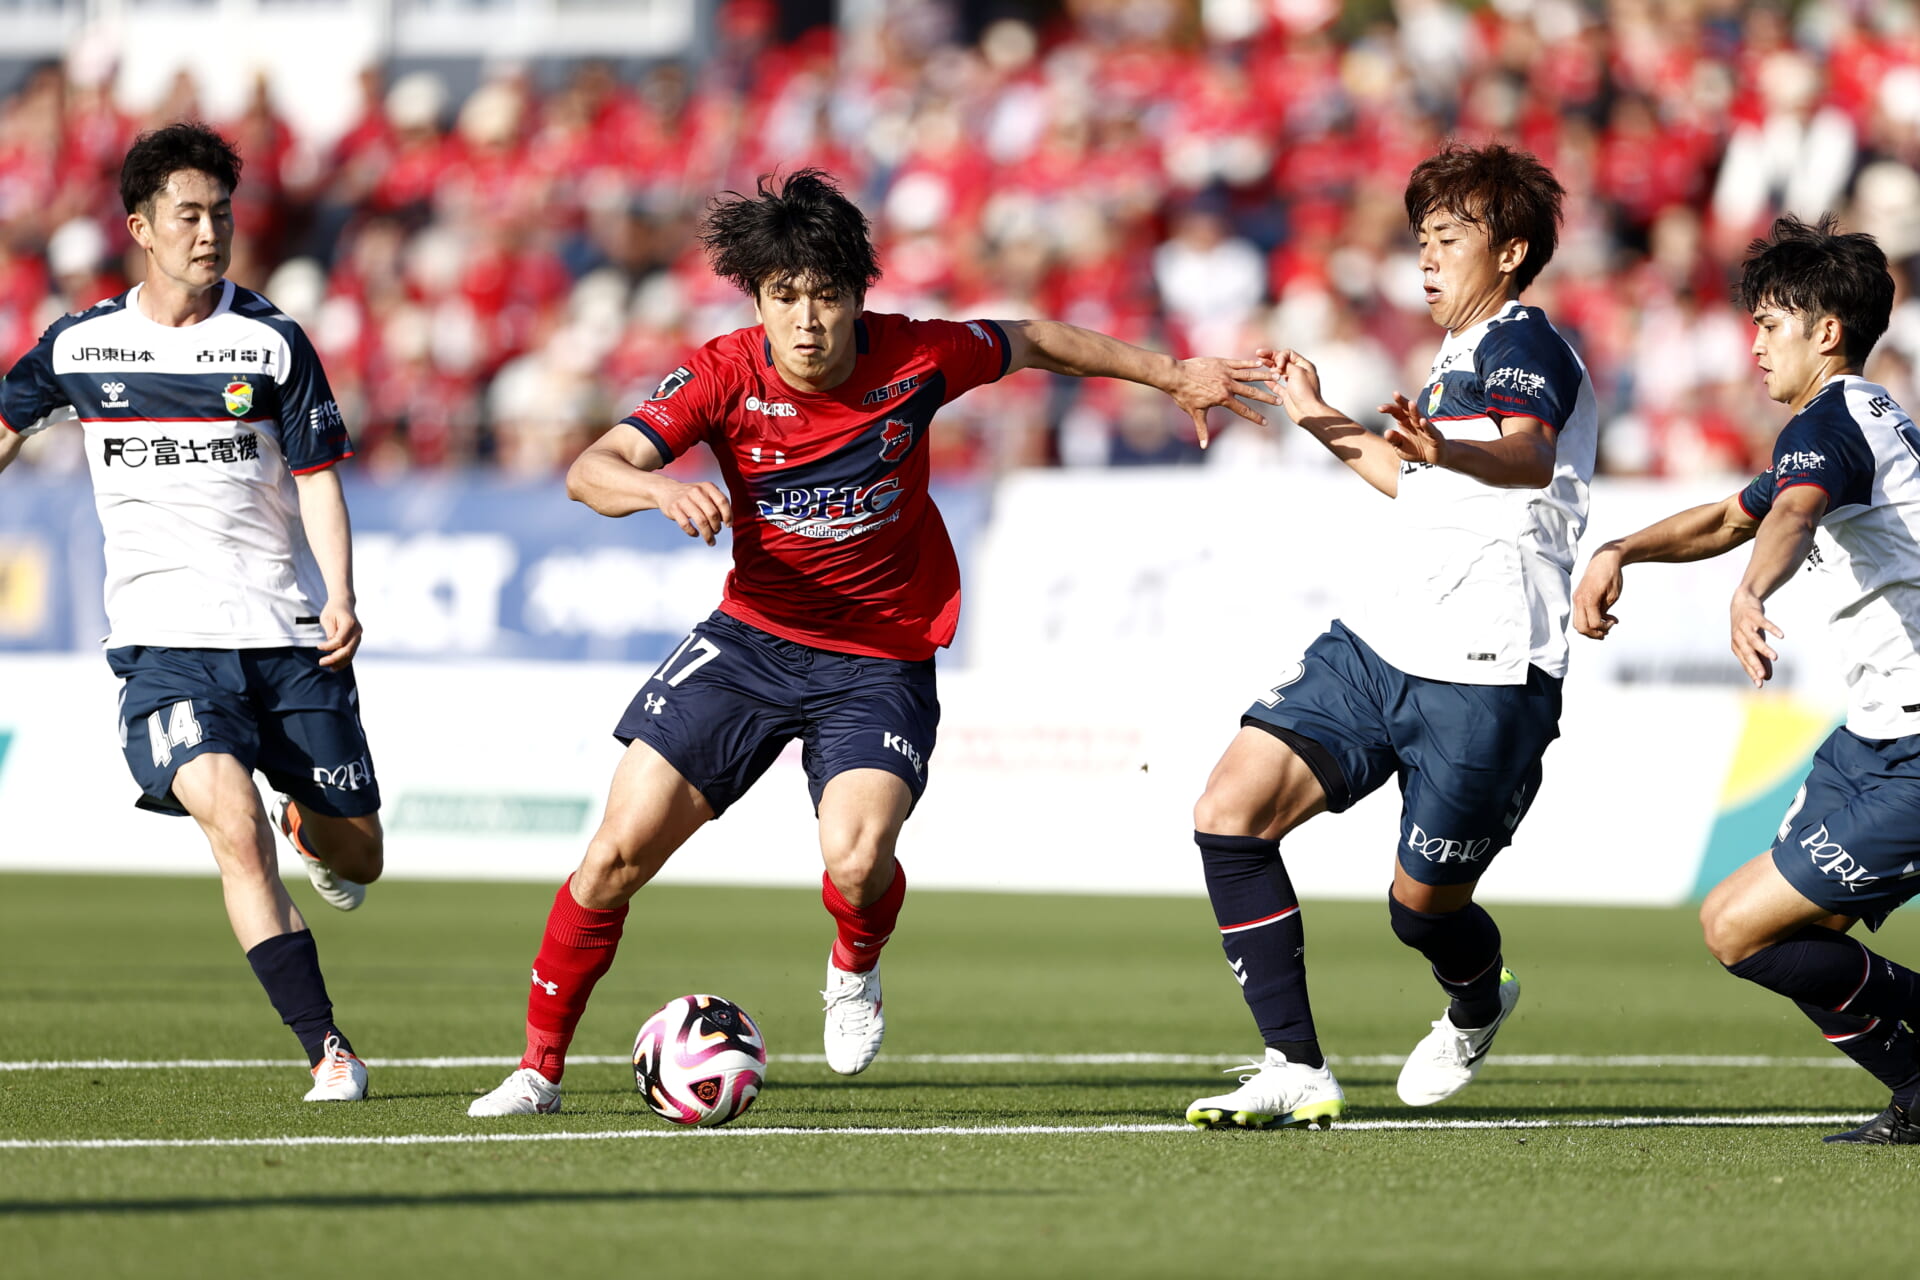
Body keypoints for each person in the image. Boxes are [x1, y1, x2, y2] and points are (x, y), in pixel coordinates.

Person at [466, 168, 1276, 1116]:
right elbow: (592, 467)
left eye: (825, 296)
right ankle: (538, 1071)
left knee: (854, 860)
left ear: (857, 296)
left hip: (880, 657)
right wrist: (658, 488)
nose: (806, 320)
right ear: (757, 301)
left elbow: (1035, 339)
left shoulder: (917, 356)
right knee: (614, 855)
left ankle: (854, 963)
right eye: (785, 297)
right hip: (751, 642)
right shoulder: (722, 373)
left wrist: (1171, 374)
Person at [1183, 142, 1598, 1130]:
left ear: (1511, 252)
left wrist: (1442, 446)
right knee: (1228, 812)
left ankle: (1478, 997)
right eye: (1421, 238)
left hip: (1488, 670)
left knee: (1421, 909)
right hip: (1379, 644)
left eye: (1450, 237)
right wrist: (1317, 415)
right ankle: (1294, 1064)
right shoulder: (1454, 358)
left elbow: (1528, 457)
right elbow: (1414, 481)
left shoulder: (1526, 344)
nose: (1427, 255)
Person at [0, 123, 382, 1101]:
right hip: (164, 644)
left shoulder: (272, 342)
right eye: (188, 216)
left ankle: (315, 826)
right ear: (140, 228)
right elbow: (8, 421)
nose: (210, 232)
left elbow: (318, 477)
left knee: (360, 851)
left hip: (284, 636)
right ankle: (327, 1049)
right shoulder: (83, 343)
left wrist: (340, 592)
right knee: (232, 825)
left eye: (221, 214)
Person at [1574, 215, 1920, 1145]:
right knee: (1780, 937)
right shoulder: (1851, 423)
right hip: (1871, 738)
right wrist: (1620, 550)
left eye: (1770, 323)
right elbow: (1736, 515)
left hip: (1915, 746)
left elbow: (1789, 517)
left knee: (1739, 929)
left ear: (1827, 332)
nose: (1755, 343)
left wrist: (1750, 592)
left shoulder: (1832, 423)